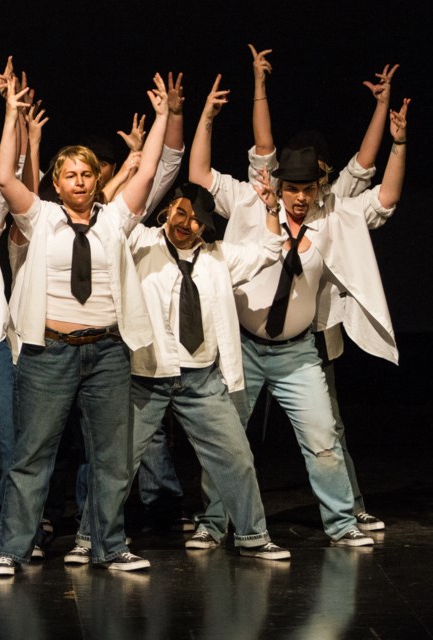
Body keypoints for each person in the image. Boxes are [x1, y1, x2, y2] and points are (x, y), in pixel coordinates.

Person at [189, 73, 409, 548]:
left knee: (324, 440)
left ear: (318, 187)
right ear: (279, 183)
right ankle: (211, 523)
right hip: (244, 349)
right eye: (293, 187)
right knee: (226, 441)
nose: (300, 196)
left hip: (296, 354)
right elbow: (200, 174)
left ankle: (342, 522)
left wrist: (400, 143)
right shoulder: (249, 202)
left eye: (308, 188)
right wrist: (206, 118)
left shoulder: (331, 218)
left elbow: (385, 197)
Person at [0, 72, 169, 577]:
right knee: (32, 455)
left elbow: (149, 170)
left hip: (107, 351)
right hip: (51, 351)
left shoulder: (114, 220)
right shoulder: (40, 217)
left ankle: (109, 546)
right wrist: (10, 115)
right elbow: (5, 178)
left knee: (111, 458)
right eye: (70, 174)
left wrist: (162, 117)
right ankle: (13, 548)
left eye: (87, 173)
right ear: (56, 181)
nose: (81, 181)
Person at [246, 49, 399, 531]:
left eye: (313, 178)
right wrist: (259, 84)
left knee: (327, 428)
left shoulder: (336, 205)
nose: (302, 188)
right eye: (294, 180)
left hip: (313, 333)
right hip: (257, 329)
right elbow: (263, 146)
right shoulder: (268, 197)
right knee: (238, 429)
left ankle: (349, 507)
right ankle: (221, 517)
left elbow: (367, 164)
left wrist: (382, 108)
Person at [125, 182, 290, 560]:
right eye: (181, 214)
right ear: (168, 210)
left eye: (197, 220)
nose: (187, 224)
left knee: (236, 457)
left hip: (202, 379)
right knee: (119, 462)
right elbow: (121, 219)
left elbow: (268, 250)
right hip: (148, 376)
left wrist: (269, 209)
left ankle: (252, 535)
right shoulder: (142, 243)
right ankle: (95, 538)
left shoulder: (218, 256)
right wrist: (136, 168)